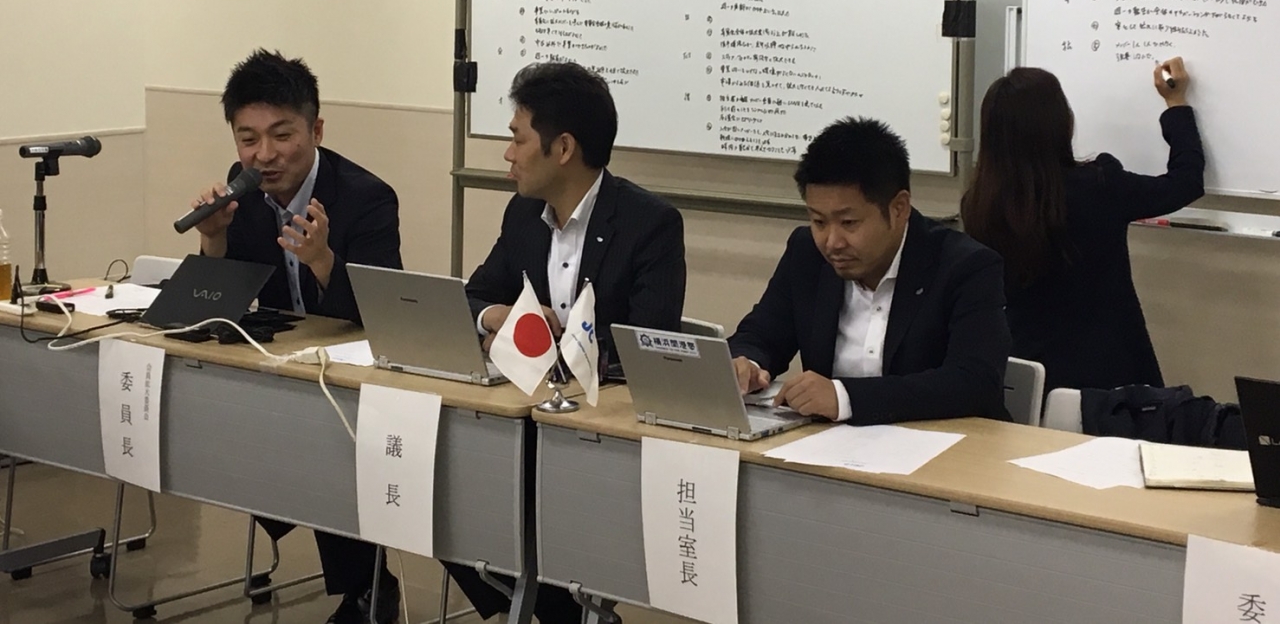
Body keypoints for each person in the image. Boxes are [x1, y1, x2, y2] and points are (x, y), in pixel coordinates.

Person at [455, 60, 686, 623]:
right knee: (446, 488)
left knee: (511, 506)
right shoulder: (523, 214)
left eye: (517, 139)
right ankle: (535, 603)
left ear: (562, 148)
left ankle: (555, 606)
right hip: (523, 420)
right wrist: (498, 316)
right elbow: (475, 295)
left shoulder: (649, 224)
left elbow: (647, 346)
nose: (508, 154)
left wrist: (561, 350)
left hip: (601, 436)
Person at [190, 49, 402, 624]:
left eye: (282, 135)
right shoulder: (242, 195)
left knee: (325, 434)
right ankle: (355, 576)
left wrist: (323, 261)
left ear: (316, 130)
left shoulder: (366, 197)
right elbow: (216, 307)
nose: (264, 155)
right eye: (248, 139)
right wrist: (213, 240)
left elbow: (384, 314)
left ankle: (367, 590)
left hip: (357, 377)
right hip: (284, 369)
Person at [729, 117, 1011, 425]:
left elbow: (974, 382)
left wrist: (846, 398)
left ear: (899, 208)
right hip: (831, 444)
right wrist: (746, 362)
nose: (832, 242)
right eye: (819, 221)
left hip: (942, 445)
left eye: (849, 223)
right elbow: (761, 333)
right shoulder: (807, 253)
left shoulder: (966, 266)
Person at [961, 58, 1204, 392]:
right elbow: (1186, 182)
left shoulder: (979, 204)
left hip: (1027, 378)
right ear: (1061, 123)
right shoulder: (1098, 187)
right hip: (1109, 381)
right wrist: (1176, 103)